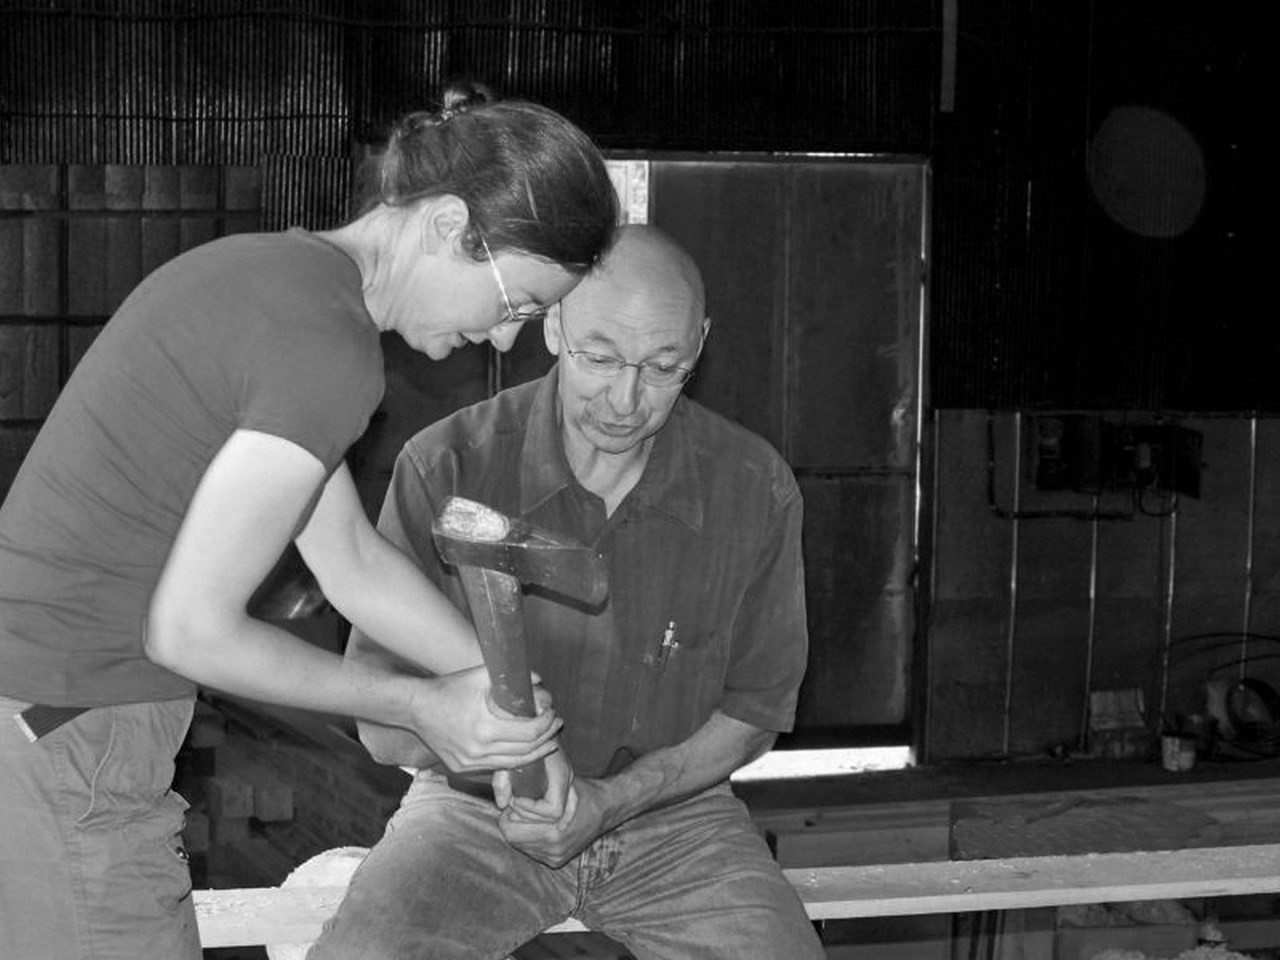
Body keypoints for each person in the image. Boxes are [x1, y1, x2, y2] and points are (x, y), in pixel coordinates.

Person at [0, 80, 618, 960]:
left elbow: (349, 560)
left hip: (42, 719)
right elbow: (190, 631)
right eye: (517, 302)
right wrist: (421, 705)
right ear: (449, 226)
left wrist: (505, 705)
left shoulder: (277, 280)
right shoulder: (326, 347)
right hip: (71, 730)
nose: (505, 339)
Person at [312, 224, 825, 960]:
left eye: (664, 367)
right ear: (553, 325)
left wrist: (609, 801)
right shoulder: (447, 466)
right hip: (474, 816)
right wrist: (497, 754)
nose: (626, 399)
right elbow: (380, 717)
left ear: (701, 344)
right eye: (600, 357)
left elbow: (754, 714)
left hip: (677, 819)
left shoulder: (754, 488)